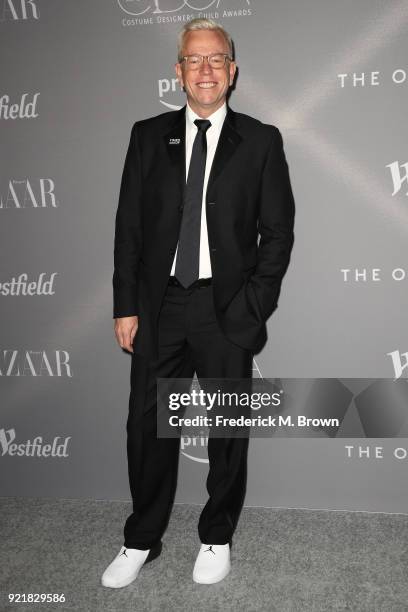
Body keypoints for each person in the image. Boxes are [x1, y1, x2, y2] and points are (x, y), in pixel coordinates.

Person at [102, 17, 295, 588]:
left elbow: (277, 233)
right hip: (159, 307)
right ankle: (141, 539)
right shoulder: (146, 135)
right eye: (194, 60)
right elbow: (128, 230)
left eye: (217, 60)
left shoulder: (261, 140)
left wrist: (252, 305)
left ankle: (216, 535)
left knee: (227, 429)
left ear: (232, 71)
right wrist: (125, 304)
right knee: (148, 426)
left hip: (225, 309)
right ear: (178, 72)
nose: (205, 70)